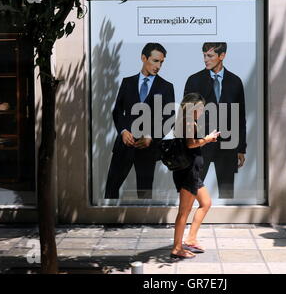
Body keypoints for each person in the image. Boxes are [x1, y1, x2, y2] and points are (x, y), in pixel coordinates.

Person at [105, 43, 175, 199]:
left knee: (144, 194)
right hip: (124, 146)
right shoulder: (127, 82)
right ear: (144, 58)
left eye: (161, 62)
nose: (158, 66)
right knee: (111, 190)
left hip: (148, 149)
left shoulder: (166, 87)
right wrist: (123, 131)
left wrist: (151, 136)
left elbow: (169, 119)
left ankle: (143, 223)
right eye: (155, 60)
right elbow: (117, 111)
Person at [184, 42, 247, 199]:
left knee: (227, 192)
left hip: (228, 144)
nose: (206, 59)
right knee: (193, 188)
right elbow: (186, 115)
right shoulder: (194, 80)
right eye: (204, 55)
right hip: (201, 144)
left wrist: (241, 148)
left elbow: (240, 117)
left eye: (210, 56)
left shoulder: (235, 81)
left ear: (222, 56)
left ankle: (225, 220)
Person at [170, 93, 220, 259]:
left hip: (192, 172)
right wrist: (207, 139)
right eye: (200, 108)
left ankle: (190, 239)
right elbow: (191, 144)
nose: (202, 111)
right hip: (188, 173)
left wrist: (206, 139)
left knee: (206, 203)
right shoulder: (188, 121)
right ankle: (177, 248)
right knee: (184, 212)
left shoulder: (184, 121)